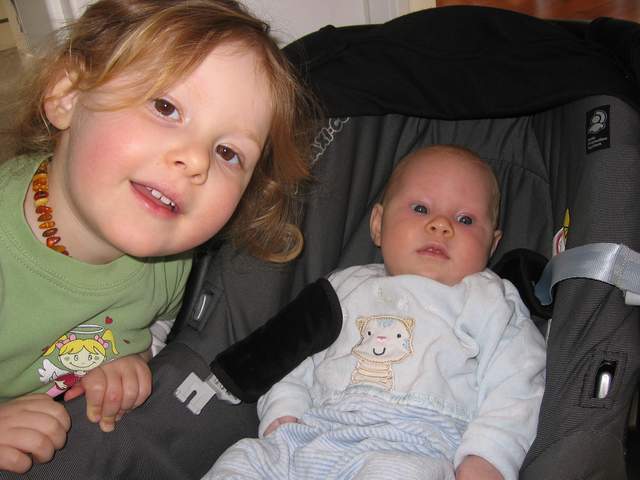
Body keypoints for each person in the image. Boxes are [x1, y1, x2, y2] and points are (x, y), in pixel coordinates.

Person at [0, 0, 316, 474]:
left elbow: (151, 323)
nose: (197, 160)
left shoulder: (172, 256)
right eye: (166, 107)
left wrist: (131, 355)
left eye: (228, 152)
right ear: (68, 96)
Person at [206, 145, 547, 480]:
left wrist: (487, 455)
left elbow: (517, 383)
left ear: (492, 244)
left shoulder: (491, 300)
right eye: (420, 208)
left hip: (415, 444)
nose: (441, 225)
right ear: (378, 224)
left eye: (465, 219)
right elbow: (294, 353)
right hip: (315, 433)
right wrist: (284, 408)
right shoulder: (344, 287)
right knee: (245, 459)